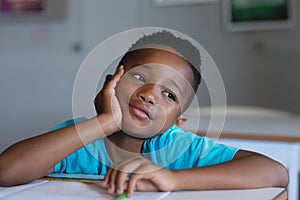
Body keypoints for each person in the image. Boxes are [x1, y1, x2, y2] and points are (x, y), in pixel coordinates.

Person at [0, 30, 288, 197]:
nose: (149, 94)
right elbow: (6, 171)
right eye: (139, 78)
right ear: (109, 85)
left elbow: (275, 172)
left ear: (178, 120)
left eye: (170, 94)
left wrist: (173, 179)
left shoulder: (181, 149)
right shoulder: (79, 139)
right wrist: (103, 123)